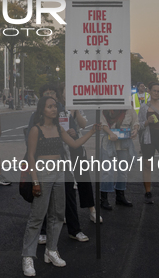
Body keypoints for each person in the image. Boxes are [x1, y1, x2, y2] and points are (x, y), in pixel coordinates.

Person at [22, 96, 100, 276]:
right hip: (42, 174)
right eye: (49, 107)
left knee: (57, 215)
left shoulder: (58, 128)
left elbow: (74, 143)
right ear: (42, 110)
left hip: (60, 173)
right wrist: (35, 181)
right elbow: (31, 156)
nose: (54, 109)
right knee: (37, 217)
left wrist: (91, 132)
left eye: (55, 106)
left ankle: (51, 250)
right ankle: (27, 256)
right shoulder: (36, 130)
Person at [57, 83, 101, 224]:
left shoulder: (76, 107)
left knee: (83, 178)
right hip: (61, 148)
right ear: (62, 94)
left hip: (76, 146)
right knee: (65, 182)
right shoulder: (56, 108)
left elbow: (82, 124)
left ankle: (92, 210)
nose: (68, 95)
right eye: (65, 92)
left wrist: (74, 110)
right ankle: (63, 211)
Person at [100, 108, 139, 209]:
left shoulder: (128, 108)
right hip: (109, 141)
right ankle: (103, 199)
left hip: (124, 142)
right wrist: (110, 133)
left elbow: (135, 121)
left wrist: (135, 129)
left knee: (123, 170)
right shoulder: (106, 108)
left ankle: (120, 196)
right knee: (107, 171)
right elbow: (102, 123)